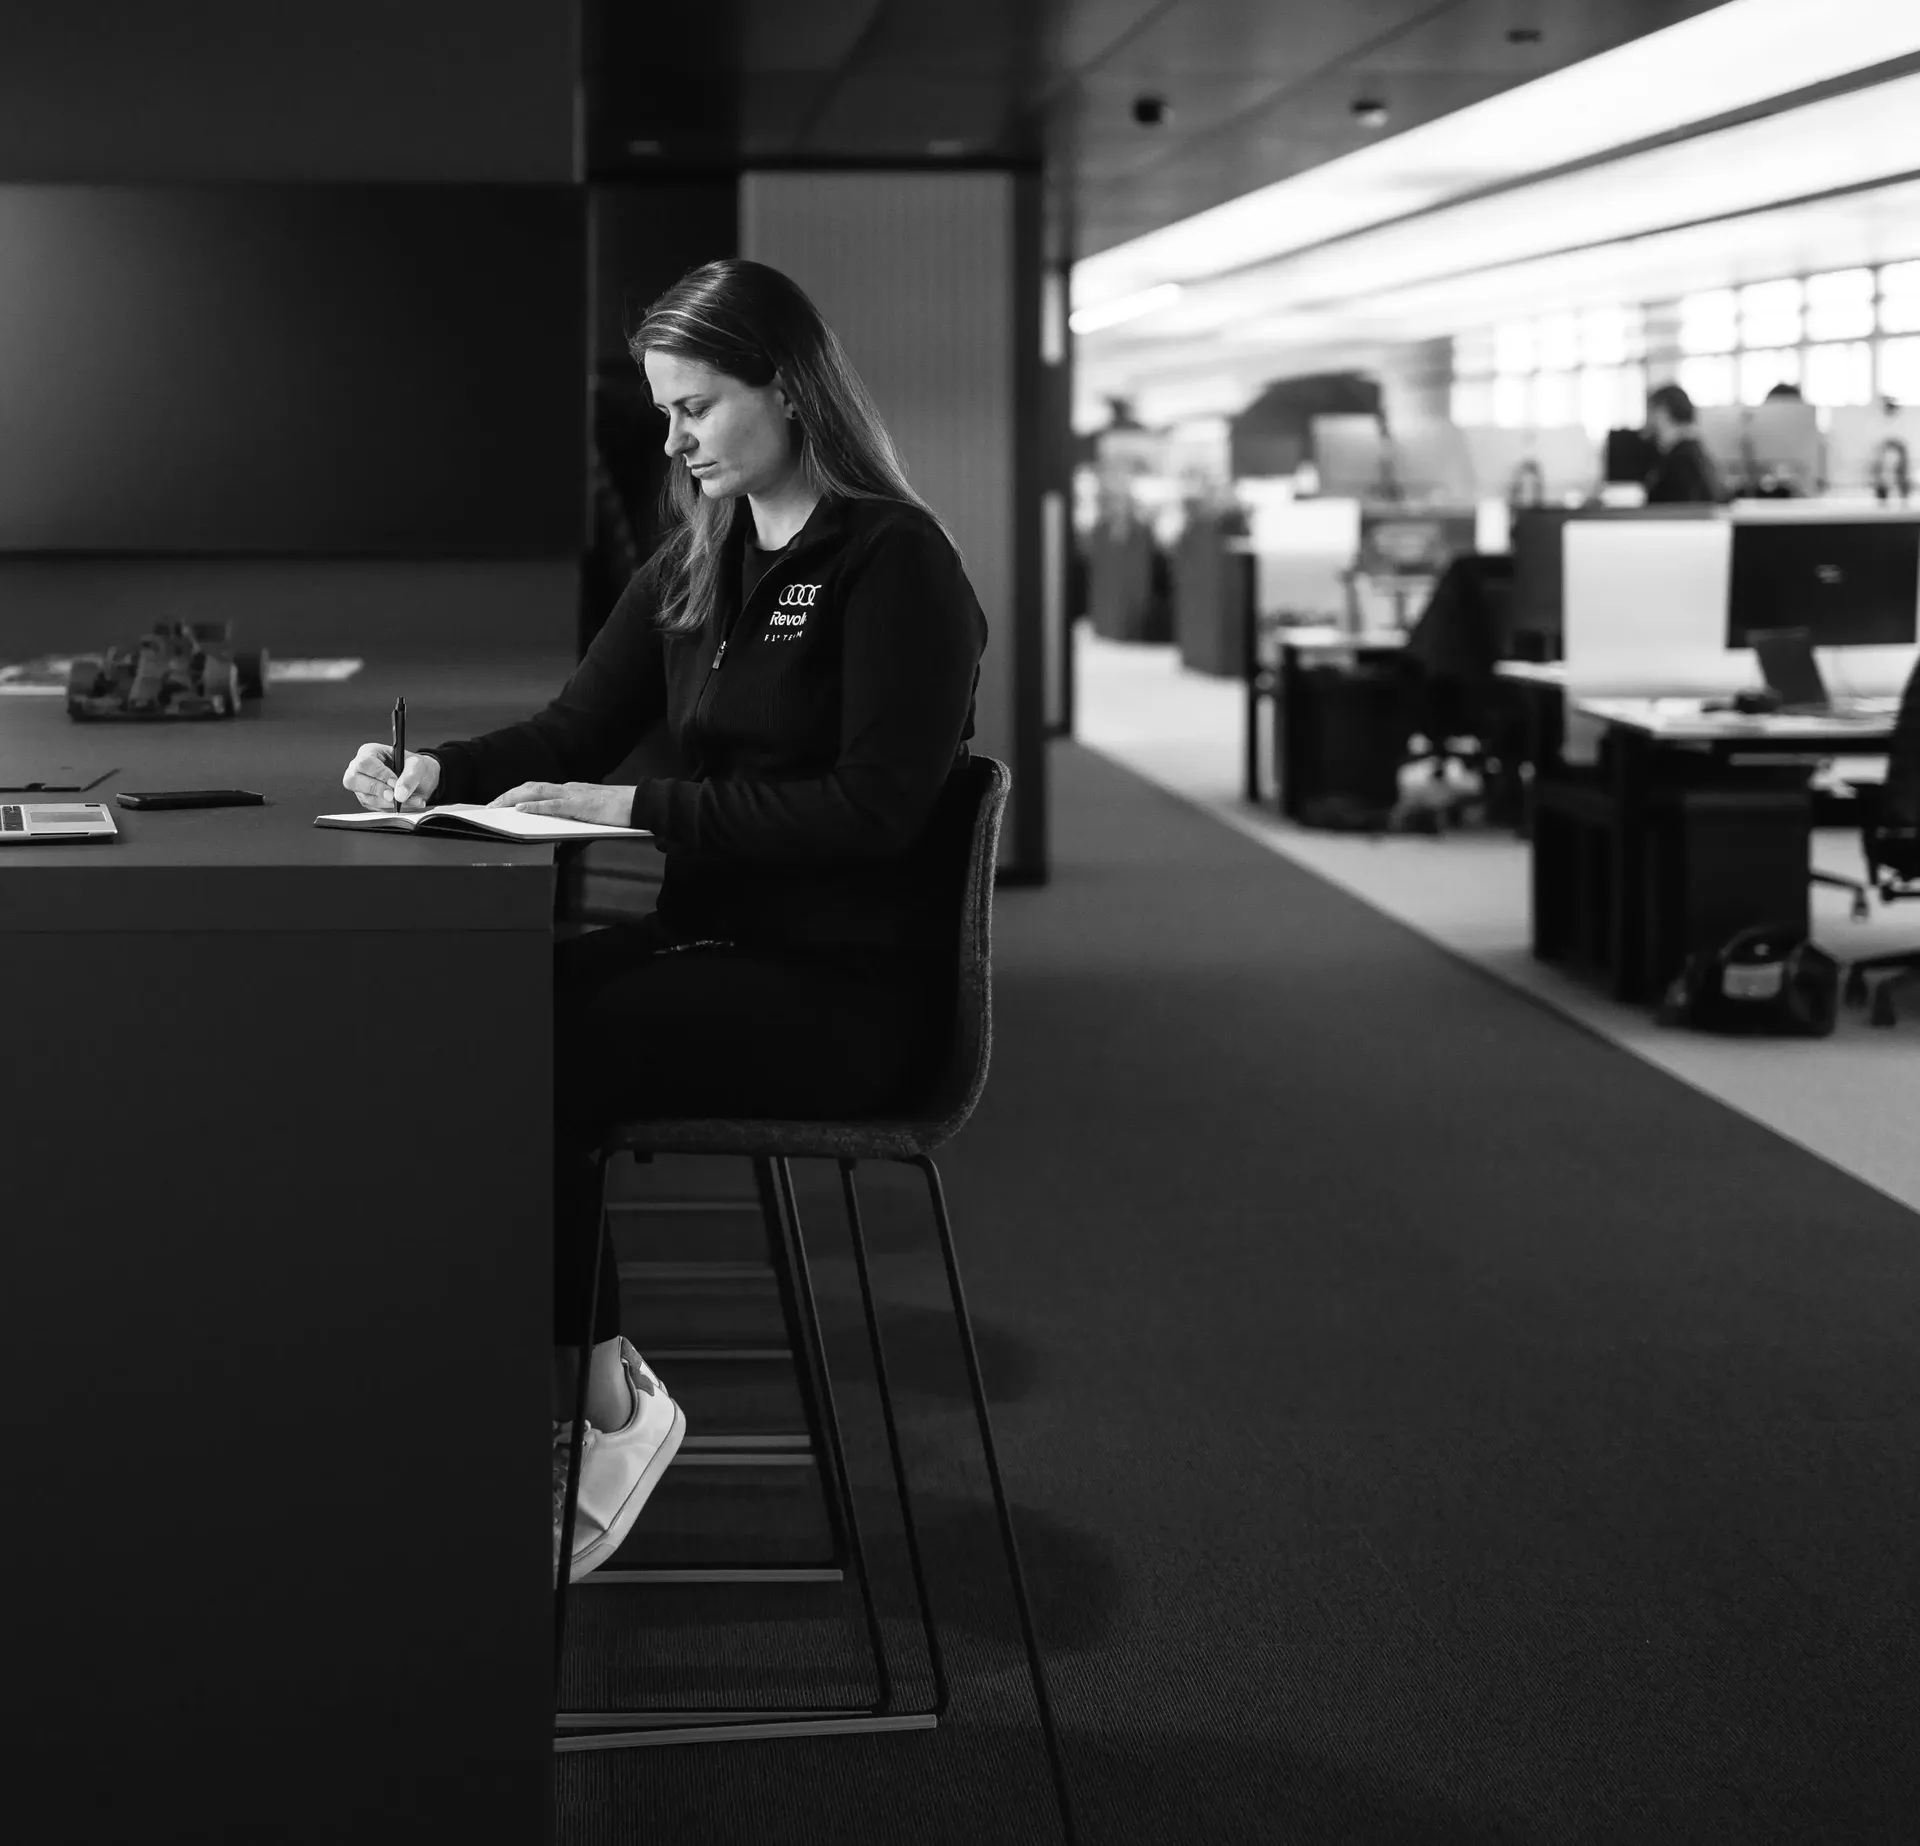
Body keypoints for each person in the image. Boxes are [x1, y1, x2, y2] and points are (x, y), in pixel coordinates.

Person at [339, 258, 989, 1584]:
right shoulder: (696, 558)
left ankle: (611, 1411)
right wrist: (435, 773)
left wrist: (638, 806)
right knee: (481, 1023)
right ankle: (556, 1374)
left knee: (549, 1054)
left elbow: (871, 812)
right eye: (665, 415)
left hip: (851, 995)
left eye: (697, 407)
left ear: (791, 390)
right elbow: (570, 728)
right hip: (723, 948)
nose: (676, 439)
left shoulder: (893, 561)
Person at [1643, 382, 1729, 505]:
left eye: (1650, 412)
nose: (1647, 421)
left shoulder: (1680, 460)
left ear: (1662, 412)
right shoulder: (1695, 451)